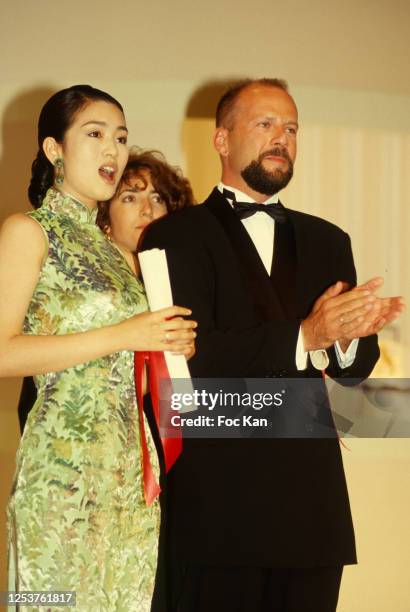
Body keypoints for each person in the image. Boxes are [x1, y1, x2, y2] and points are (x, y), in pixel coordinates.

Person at [140, 78, 405, 612]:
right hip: (220, 504)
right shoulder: (175, 236)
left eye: (290, 128)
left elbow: (352, 372)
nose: (281, 138)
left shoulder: (330, 240)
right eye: (265, 125)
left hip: (312, 507)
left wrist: (351, 340)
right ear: (221, 140)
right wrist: (307, 335)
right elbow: (193, 356)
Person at [0, 85, 196, 611]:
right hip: (62, 478)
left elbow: (136, 357)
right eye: (95, 134)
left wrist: (170, 343)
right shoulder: (29, 231)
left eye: (121, 137)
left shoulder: (120, 254)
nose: (113, 150)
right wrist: (126, 333)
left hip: (130, 480)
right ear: (53, 150)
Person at [17, 148, 195, 431]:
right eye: (129, 198)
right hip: (63, 430)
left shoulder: (179, 281)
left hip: (141, 437)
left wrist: (173, 359)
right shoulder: (77, 278)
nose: (147, 209)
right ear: (105, 217)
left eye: (157, 198)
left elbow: (129, 388)